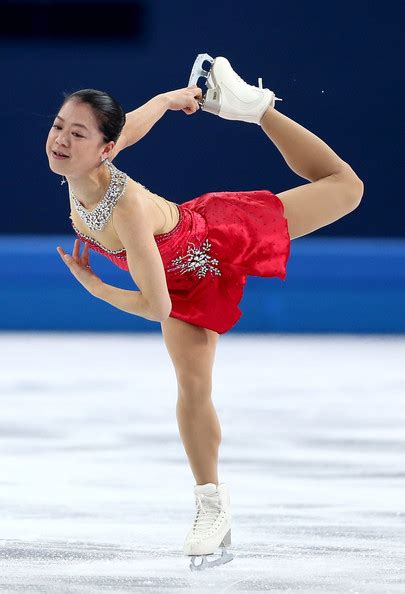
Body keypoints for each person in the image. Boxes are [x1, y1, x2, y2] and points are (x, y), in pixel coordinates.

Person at [46, 55, 364, 570]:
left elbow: (155, 305)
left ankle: (258, 109)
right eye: (60, 126)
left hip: (214, 240)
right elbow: (136, 124)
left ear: (104, 149)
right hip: (181, 282)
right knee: (193, 388)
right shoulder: (90, 163)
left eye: (77, 134)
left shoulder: (123, 208)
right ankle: (211, 506)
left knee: (347, 188)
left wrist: (96, 287)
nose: (61, 140)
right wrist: (171, 101)